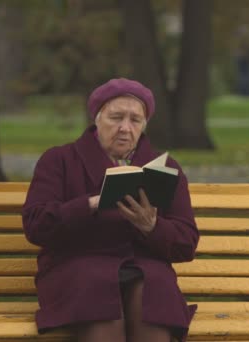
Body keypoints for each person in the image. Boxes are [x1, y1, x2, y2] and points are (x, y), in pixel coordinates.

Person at [22, 78, 199, 342]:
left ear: (144, 125)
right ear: (97, 119)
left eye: (135, 120)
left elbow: (186, 243)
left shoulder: (164, 168)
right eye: (116, 117)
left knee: (155, 287)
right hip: (77, 268)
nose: (125, 128)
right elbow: (36, 225)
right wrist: (91, 203)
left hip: (145, 268)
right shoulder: (59, 160)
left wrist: (152, 226)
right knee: (96, 285)